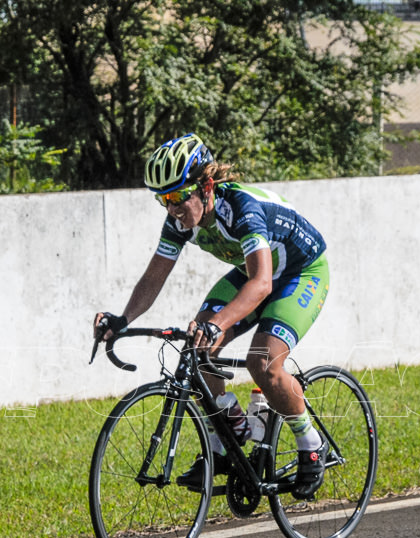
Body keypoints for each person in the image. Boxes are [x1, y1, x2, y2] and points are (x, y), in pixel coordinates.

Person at [93, 133, 330, 499]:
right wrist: (121, 320)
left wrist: (218, 323)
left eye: (176, 197)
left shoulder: (242, 208)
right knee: (197, 347)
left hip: (300, 273)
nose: (171, 209)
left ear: (205, 186)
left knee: (263, 363)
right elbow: (155, 276)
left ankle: (310, 442)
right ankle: (230, 434)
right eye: (162, 200)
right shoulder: (178, 222)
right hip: (253, 272)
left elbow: (262, 283)